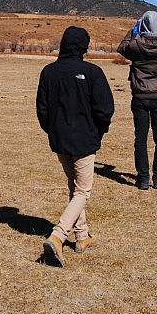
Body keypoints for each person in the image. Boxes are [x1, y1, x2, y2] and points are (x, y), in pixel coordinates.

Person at [36, 26, 114, 266]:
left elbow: (42, 110)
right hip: (83, 141)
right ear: (84, 46)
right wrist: (98, 130)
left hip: (60, 140)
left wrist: (52, 129)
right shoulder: (92, 72)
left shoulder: (49, 72)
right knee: (83, 191)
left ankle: (82, 236)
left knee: (74, 187)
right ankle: (58, 236)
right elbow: (105, 109)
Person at [117, 11, 157, 190]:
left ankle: (143, 179)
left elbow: (122, 47)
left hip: (140, 96)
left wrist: (133, 30)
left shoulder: (136, 46)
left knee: (140, 139)